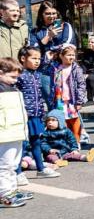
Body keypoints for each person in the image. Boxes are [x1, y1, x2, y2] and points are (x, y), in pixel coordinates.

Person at [17, 46, 58, 180]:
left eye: (38, 59)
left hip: (37, 115)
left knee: (36, 142)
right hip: (23, 116)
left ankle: (41, 169)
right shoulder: (19, 75)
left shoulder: (37, 74)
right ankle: (17, 173)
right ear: (23, 59)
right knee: (21, 144)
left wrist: (42, 112)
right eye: (33, 58)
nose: (37, 61)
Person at [0, 58, 31, 208]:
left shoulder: (13, 88)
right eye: (12, 77)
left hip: (16, 132)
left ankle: (12, 190)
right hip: (4, 134)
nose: (15, 80)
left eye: (16, 77)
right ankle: (5, 194)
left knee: (12, 164)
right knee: (5, 166)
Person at [50, 44, 87, 141]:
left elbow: (81, 85)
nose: (71, 57)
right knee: (62, 121)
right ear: (61, 56)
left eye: (73, 55)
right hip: (59, 99)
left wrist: (79, 101)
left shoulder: (76, 69)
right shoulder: (56, 68)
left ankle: (76, 141)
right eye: (68, 55)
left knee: (74, 120)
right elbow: (46, 66)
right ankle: (66, 143)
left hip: (72, 100)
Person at [32, 0, 77, 65]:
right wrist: (48, 36)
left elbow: (68, 46)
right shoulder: (35, 31)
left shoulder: (66, 27)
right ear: (41, 14)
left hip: (63, 66)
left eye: (54, 13)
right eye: (48, 13)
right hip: (43, 68)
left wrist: (54, 54)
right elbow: (33, 50)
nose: (51, 16)